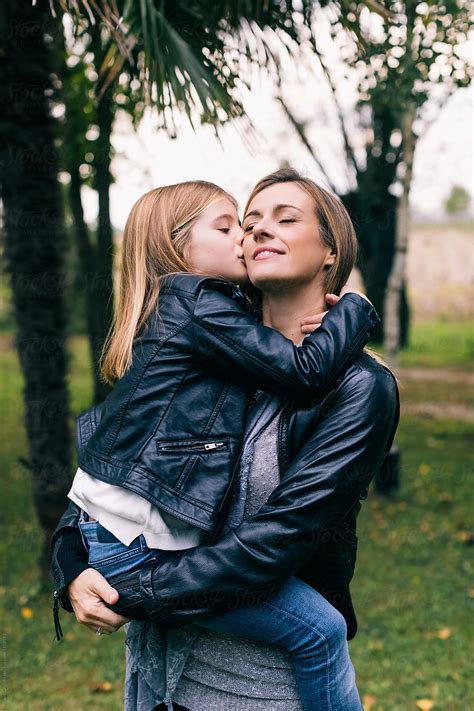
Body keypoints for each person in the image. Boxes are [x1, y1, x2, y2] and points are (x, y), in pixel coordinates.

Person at [51, 170, 399, 710]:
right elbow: (116, 472)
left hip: (257, 688)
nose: (255, 231)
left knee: (321, 630)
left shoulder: (359, 388)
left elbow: (277, 539)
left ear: (332, 251)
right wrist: (73, 569)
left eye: (285, 219)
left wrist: (138, 590)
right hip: (159, 674)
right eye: (247, 221)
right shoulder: (205, 354)